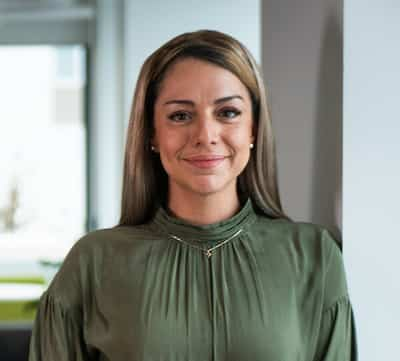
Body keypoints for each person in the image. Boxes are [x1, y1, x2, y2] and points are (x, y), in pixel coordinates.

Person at [29, 30, 358, 361]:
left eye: (228, 112)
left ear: (253, 128)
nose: (205, 135)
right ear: (152, 133)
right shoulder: (93, 263)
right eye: (180, 116)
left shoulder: (314, 258)